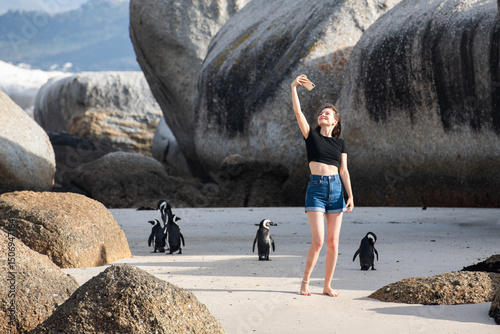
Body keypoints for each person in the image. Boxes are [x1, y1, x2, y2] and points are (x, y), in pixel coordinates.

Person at [291, 74, 354, 297]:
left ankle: (327, 285)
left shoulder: (340, 143)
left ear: (335, 121)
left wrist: (350, 195)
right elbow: (298, 113)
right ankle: (305, 282)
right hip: (316, 189)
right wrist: (294, 87)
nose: (322, 115)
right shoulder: (311, 136)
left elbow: (344, 170)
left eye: (327, 113)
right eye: (320, 113)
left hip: (336, 189)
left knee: (333, 243)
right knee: (318, 241)